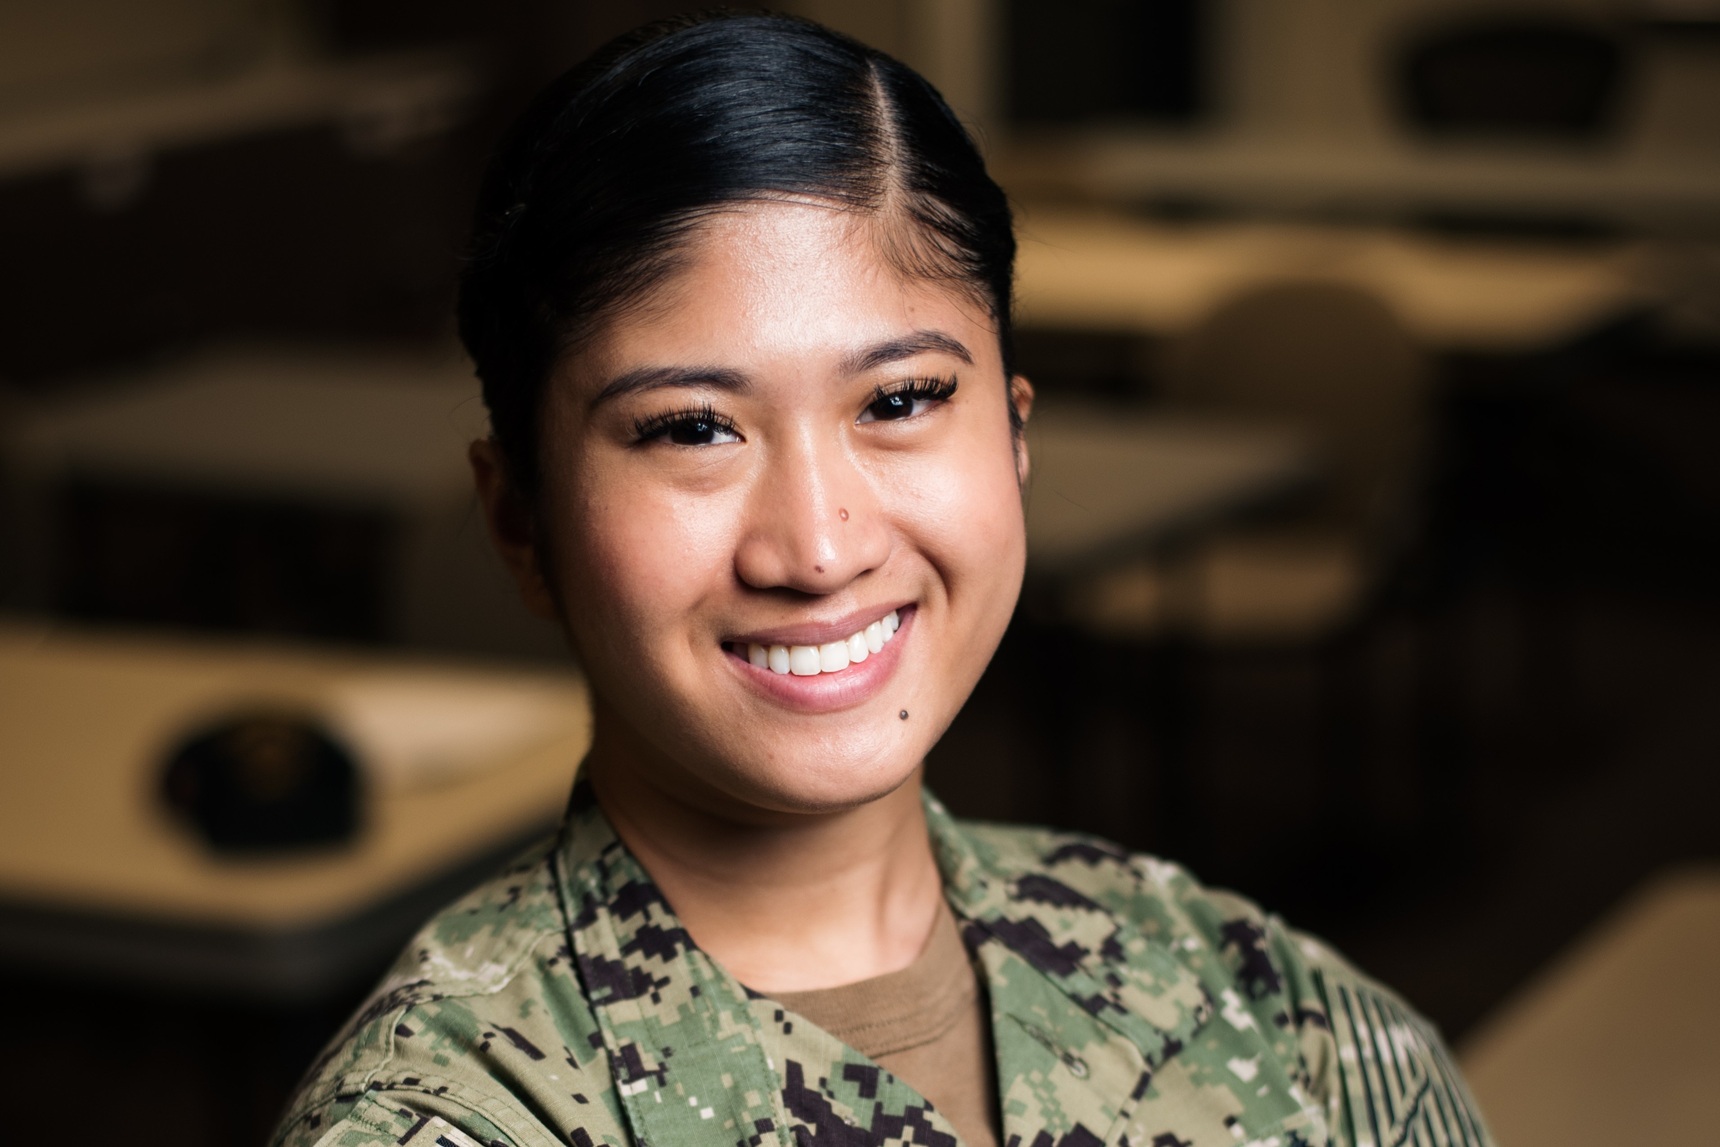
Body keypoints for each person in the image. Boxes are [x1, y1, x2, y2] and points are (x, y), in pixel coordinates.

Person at [272, 13, 1493, 1147]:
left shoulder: (1281, 1017)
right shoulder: (449, 1120)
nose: (816, 547)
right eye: (692, 427)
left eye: (900, 400)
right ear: (520, 519)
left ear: (1014, 439)